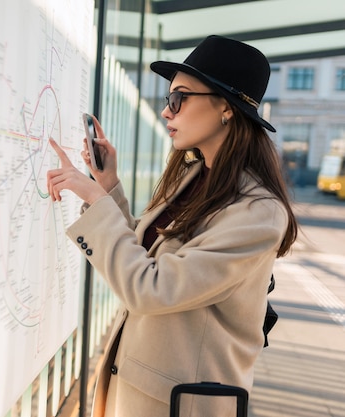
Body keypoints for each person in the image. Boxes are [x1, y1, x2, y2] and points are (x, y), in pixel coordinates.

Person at [46, 35, 298, 417]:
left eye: (178, 99)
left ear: (224, 108)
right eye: (168, 101)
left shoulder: (258, 212)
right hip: (144, 388)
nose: (167, 112)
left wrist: (98, 204)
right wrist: (109, 187)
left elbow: (153, 288)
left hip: (183, 403)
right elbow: (145, 256)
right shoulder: (198, 176)